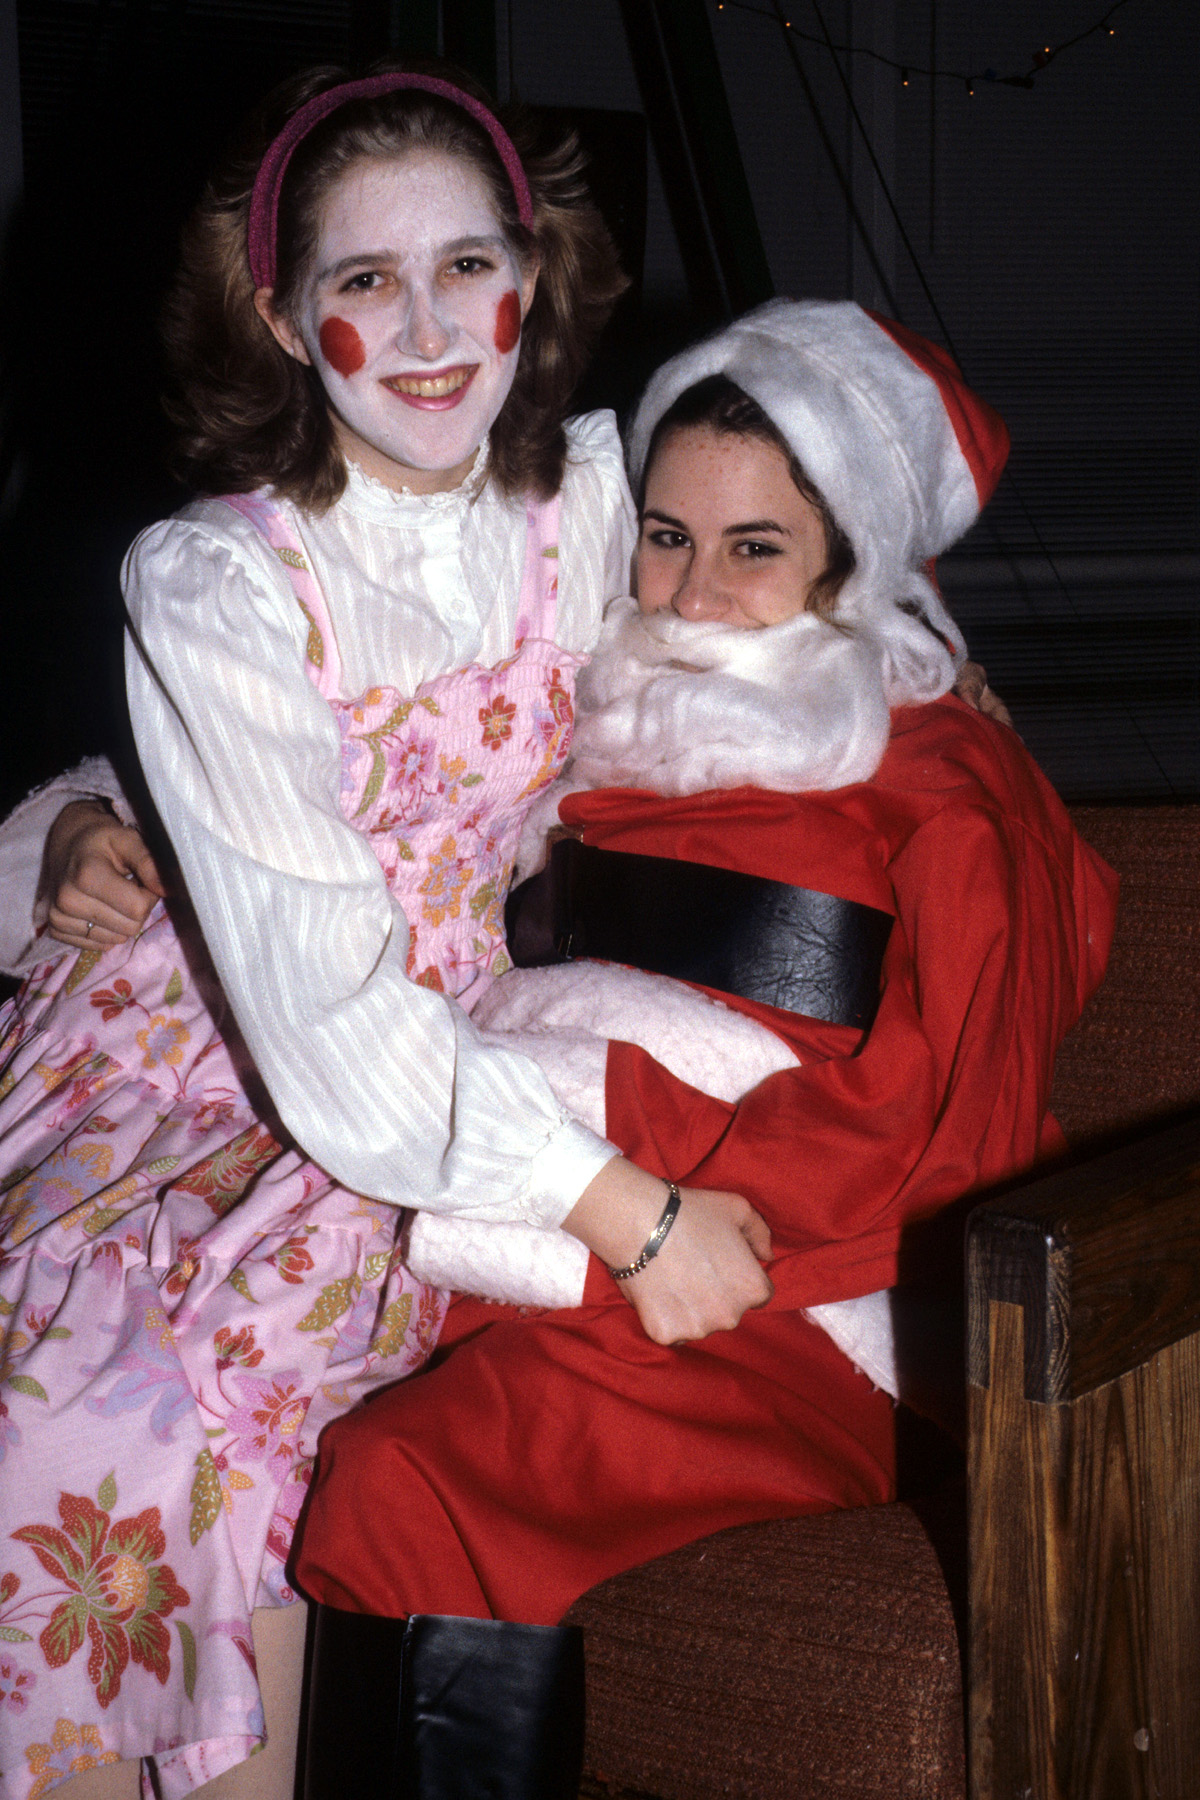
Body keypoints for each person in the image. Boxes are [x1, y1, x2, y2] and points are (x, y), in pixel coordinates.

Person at [0, 62, 777, 1800]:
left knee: (194, 1412)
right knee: (58, 1401)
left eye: (466, 265)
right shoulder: (218, 576)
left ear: (531, 276)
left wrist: (934, 689)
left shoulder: (589, 504)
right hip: (223, 1050)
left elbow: (782, 591)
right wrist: (621, 1207)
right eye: (365, 280)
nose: (427, 330)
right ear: (285, 321)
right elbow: (314, 992)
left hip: (426, 1061)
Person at [286, 299, 1118, 1798]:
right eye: (666, 537)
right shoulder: (592, 719)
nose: (693, 595)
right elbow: (350, 797)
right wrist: (91, 829)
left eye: (756, 549)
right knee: (226, 1423)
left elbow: (947, 1138)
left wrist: (620, 1189)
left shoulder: (949, 783)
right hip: (555, 1220)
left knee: (403, 1481)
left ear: (852, 569)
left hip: (792, 1308)